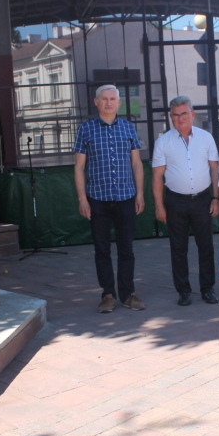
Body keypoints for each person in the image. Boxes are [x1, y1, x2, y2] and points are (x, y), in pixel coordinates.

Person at [74, 85, 146, 313]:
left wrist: (140, 193)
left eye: (112, 99)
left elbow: (137, 163)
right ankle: (107, 295)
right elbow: (79, 167)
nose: (108, 103)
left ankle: (128, 294)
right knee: (102, 250)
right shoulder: (86, 129)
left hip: (125, 197)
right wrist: (82, 199)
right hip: (98, 199)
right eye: (104, 99)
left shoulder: (128, 128)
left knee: (127, 249)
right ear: (96, 102)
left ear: (119, 102)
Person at [153, 96, 219, 306]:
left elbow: (215, 169)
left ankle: (207, 289)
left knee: (206, 247)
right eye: (175, 115)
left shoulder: (206, 138)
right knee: (178, 248)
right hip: (176, 202)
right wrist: (159, 205)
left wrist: (216, 197)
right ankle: (183, 291)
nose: (180, 118)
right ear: (170, 117)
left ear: (192, 114)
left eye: (184, 113)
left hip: (203, 199)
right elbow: (157, 176)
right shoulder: (163, 142)